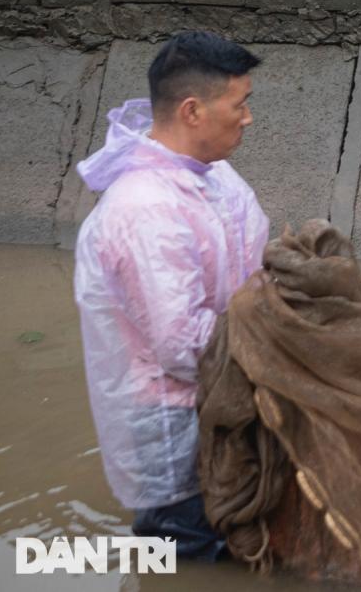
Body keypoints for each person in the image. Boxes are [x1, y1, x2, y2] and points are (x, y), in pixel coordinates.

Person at [73, 32, 269, 559]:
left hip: (228, 395)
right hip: (175, 417)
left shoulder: (216, 178)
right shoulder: (145, 210)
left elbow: (254, 273)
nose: (248, 117)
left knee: (231, 532)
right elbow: (182, 346)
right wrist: (277, 347)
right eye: (240, 104)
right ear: (192, 110)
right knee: (183, 548)